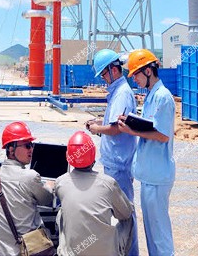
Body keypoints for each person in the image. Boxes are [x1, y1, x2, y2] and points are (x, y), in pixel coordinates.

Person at [117, 49, 175, 256]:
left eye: (136, 75)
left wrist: (131, 130)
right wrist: (132, 122)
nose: (135, 80)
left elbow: (163, 135)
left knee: (159, 234)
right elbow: (150, 125)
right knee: (151, 232)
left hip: (157, 175)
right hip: (150, 174)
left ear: (148, 71)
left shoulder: (163, 97)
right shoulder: (151, 96)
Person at [86, 49, 139, 255]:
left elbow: (117, 128)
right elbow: (113, 122)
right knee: (120, 214)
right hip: (115, 163)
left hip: (119, 164)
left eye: (103, 74)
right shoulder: (118, 92)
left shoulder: (122, 93)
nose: (103, 79)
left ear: (112, 70)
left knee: (125, 214)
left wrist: (96, 129)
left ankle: (130, 253)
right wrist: (99, 122)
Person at [0, 122, 54, 256]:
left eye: (31, 145)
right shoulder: (30, 176)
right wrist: (49, 186)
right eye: (27, 145)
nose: (31, 149)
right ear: (11, 149)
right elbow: (47, 199)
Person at [55, 131, 134, 256]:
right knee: (128, 217)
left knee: (61, 213)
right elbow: (126, 213)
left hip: (74, 252)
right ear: (93, 154)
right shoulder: (108, 183)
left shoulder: (61, 182)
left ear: (68, 156)